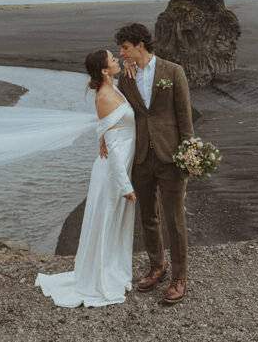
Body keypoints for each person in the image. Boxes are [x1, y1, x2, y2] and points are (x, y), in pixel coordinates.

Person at [35, 49, 136, 307]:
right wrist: (125, 185)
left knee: (115, 224)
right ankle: (100, 279)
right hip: (112, 174)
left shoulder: (114, 87)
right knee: (106, 224)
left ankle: (111, 271)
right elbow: (113, 146)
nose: (118, 60)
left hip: (120, 168)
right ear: (104, 70)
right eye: (113, 59)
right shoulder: (104, 96)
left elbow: (107, 128)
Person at [105, 21, 193, 305]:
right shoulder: (126, 79)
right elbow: (118, 114)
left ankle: (179, 277)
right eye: (120, 49)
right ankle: (157, 266)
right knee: (148, 217)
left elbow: (185, 118)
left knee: (174, 218)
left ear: (140, 45)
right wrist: (104, 137)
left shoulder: (173, 71)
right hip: (141, 158)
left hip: (171, 157)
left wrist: (189, 154)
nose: (122, 53)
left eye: (126, 47)